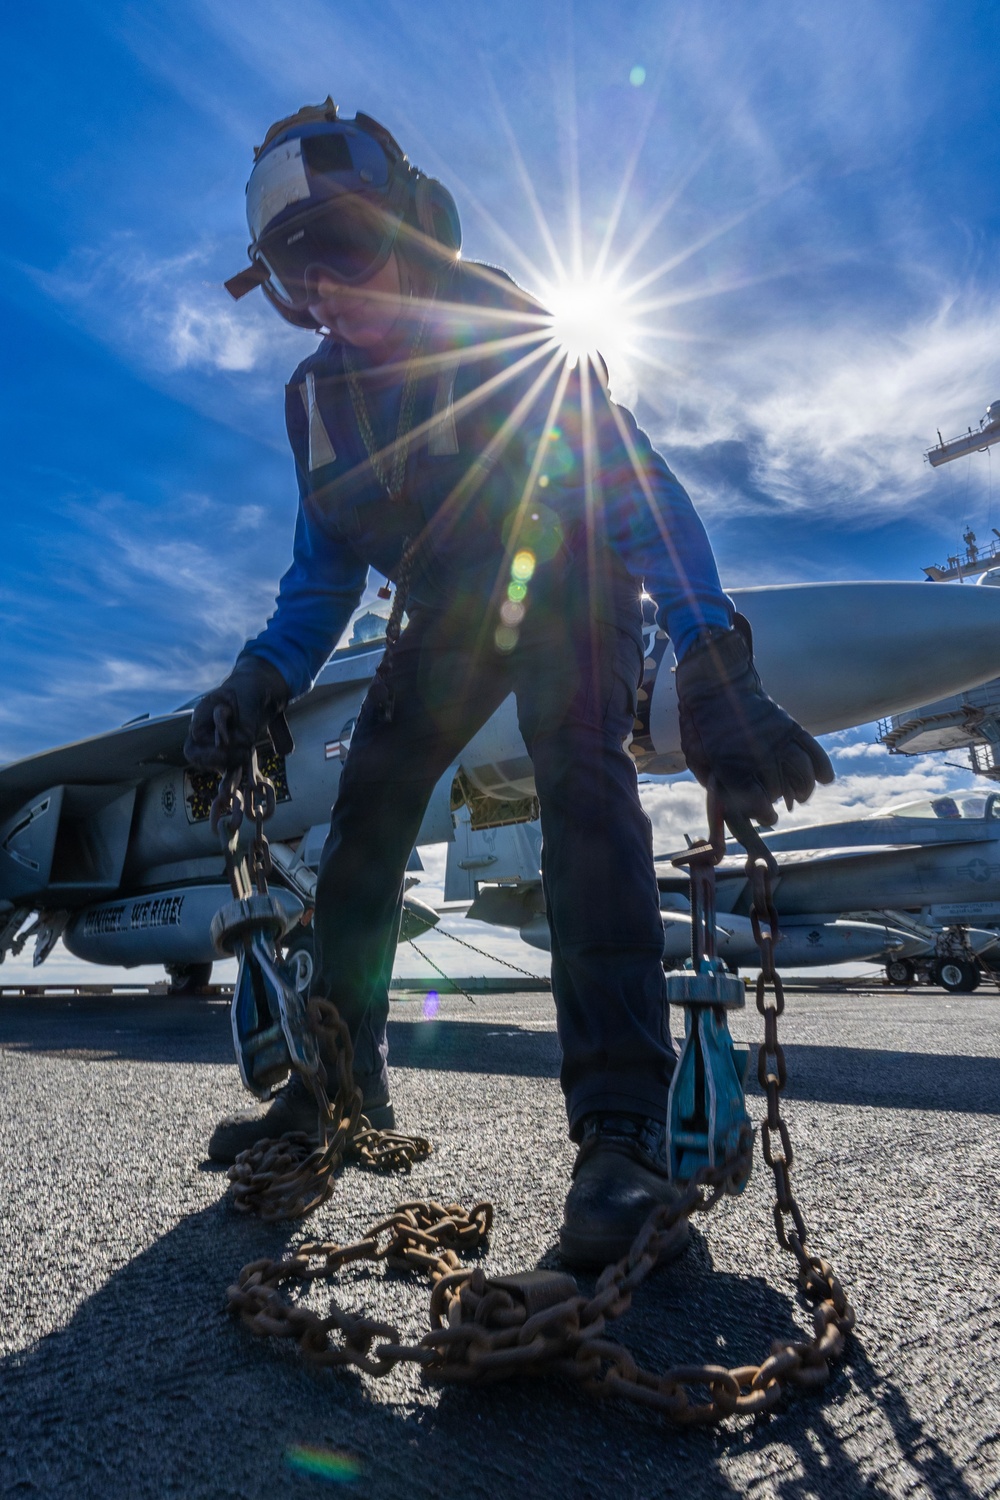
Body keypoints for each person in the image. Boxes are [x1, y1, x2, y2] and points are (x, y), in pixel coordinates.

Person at [186, 99, 833, 1267]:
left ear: (412, 226)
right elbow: (320, 577)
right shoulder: (316, 403)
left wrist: (707, 646)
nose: (323, 288)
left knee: (581, 784)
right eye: (292, 272)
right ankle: (336, 1094)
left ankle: (623, 1136)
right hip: (440, 608)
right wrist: (256, 678)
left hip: (566, 573)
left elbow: (629, 476)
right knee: (365, 817)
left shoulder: (495, 325)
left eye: (345, 244)